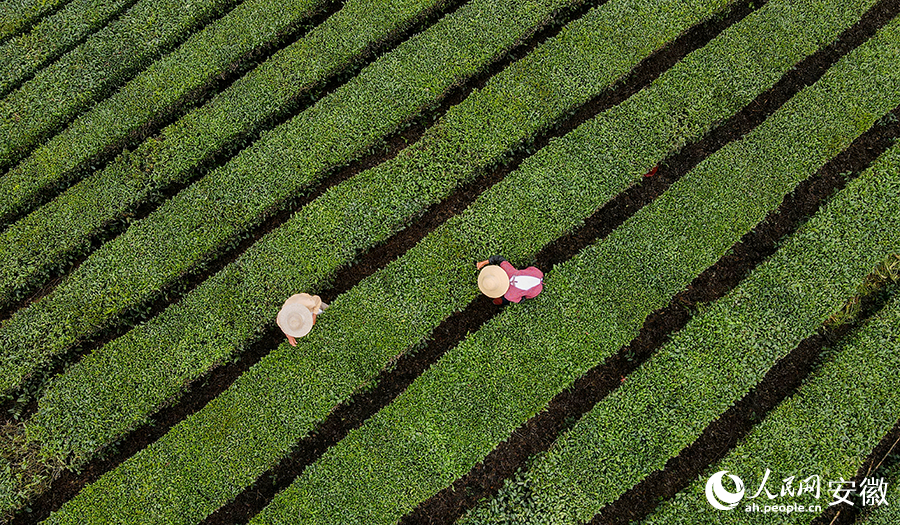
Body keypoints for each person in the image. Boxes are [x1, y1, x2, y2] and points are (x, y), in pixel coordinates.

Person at [476, 255, 543, 305]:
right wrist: (483, 263)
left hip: (536, 290)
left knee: (505, 301)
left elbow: (520, 300)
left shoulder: (509, 295)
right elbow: (499, 259)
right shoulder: (508, 270)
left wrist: (485, 262)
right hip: (536, 273)